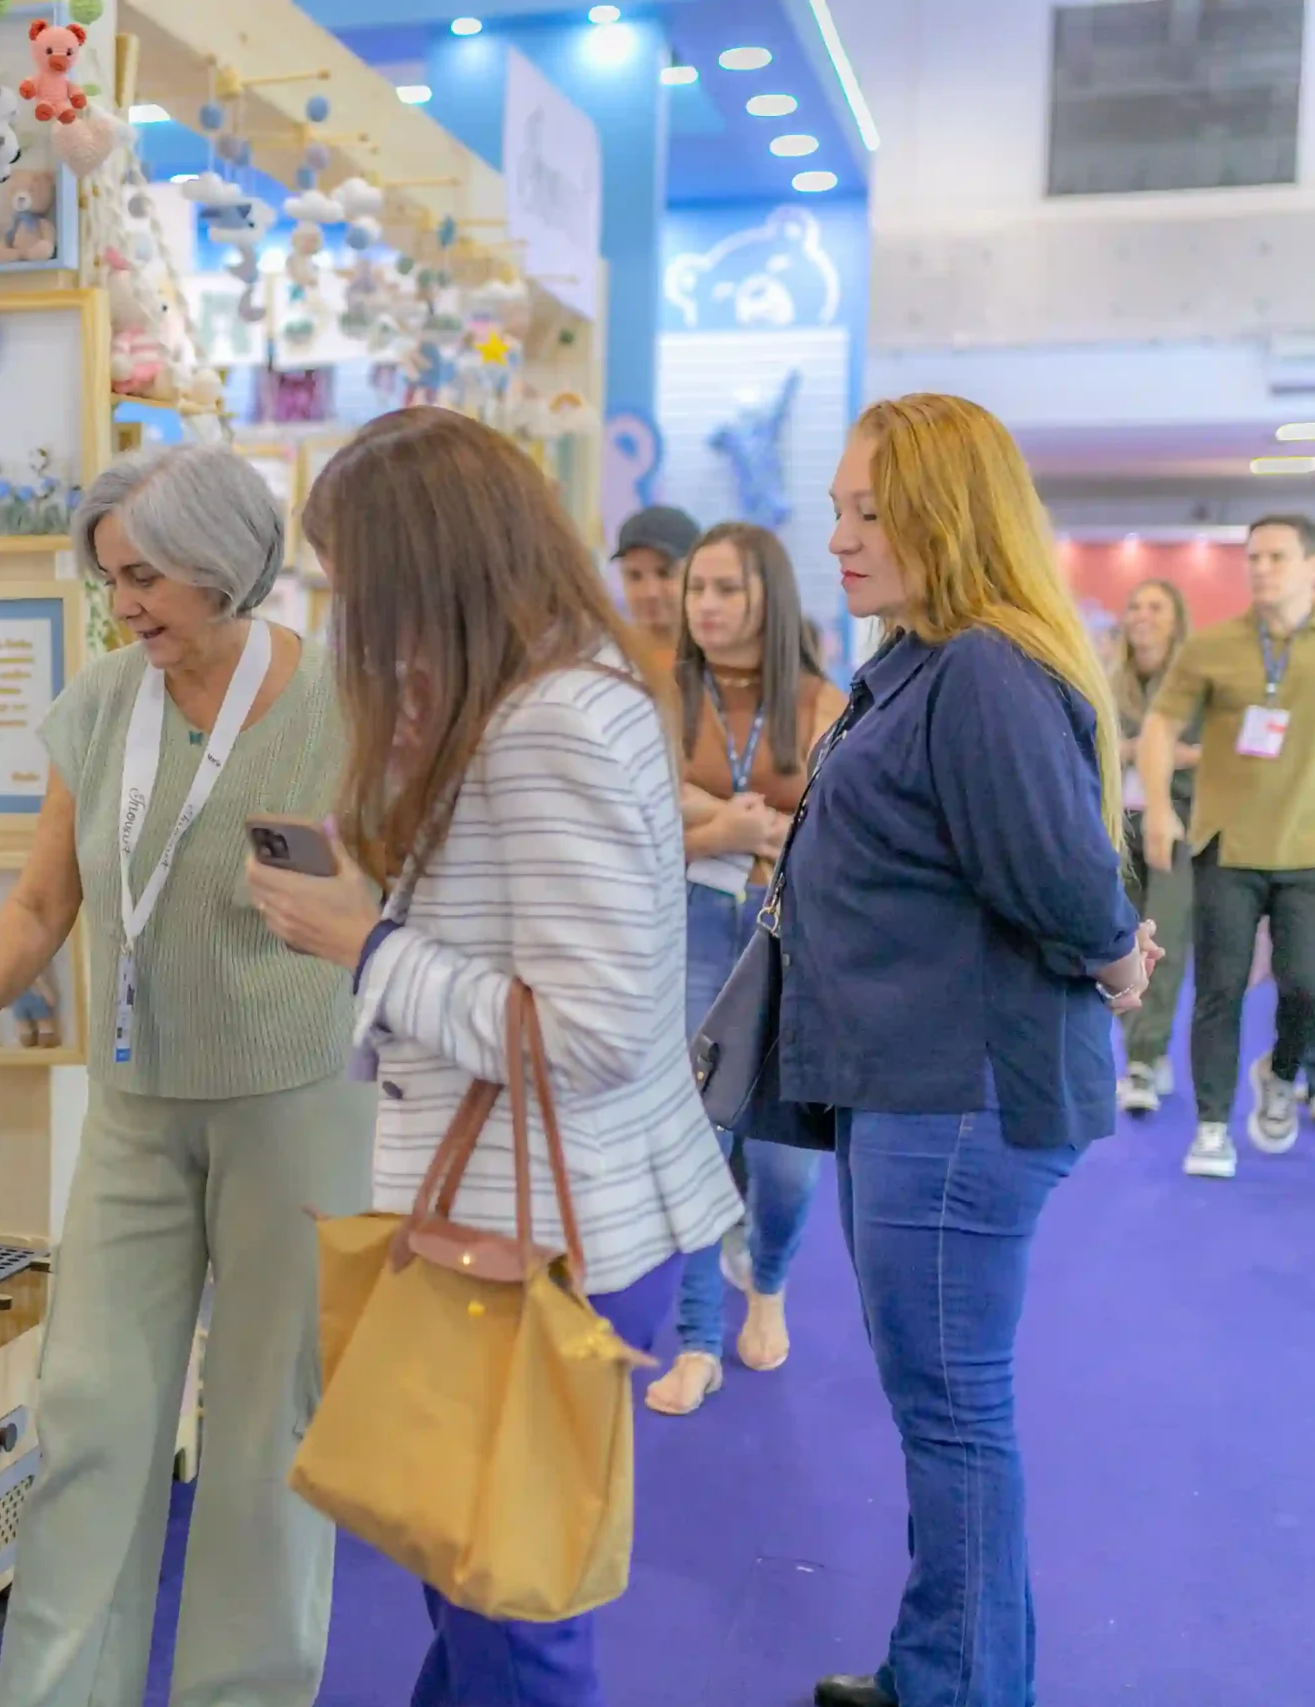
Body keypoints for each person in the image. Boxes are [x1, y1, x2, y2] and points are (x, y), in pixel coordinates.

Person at [0, 444, 371, 1707]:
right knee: (90, 1412)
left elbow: (397, 891)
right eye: (109, 581)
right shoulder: (97, 704)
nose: (124, 604)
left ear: (223, 563)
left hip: (296, 1101)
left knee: (266, 1434)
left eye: (144, 577)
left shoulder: (346, 702)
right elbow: (44, 897)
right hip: (137, 1107)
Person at [245, 408, 739, 1707]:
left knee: (512, 1613)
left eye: (356, 579)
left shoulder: (554, 719)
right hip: (508, 1216)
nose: (346, 611)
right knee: (477, 1591)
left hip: (545, 1230)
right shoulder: (523, 700)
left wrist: (370, 943)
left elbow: (585, 1028)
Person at [785, 395, 1156, 1707]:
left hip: (958, 1101)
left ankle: (968, 1686)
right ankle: (943, 1664)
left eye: (869, 510)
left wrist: (1117, 955)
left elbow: (1063, 879)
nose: (840, 534)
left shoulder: (983, 667)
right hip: (917, 1089)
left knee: (952, 1420)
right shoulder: (933, 658)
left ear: (950, 513)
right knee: (942, 1412)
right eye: (838, 507)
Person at [647, 522, 845, 1417]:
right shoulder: (656, 690)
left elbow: (836, 836)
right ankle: (694, 1341)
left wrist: (712, 812)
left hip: (786, 937)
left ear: (769, 596)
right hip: (685, 926)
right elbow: (628, 819)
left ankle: (765, 1281)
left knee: (787, 1161)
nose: (708, 606)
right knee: (695, 1141)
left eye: (727, 588)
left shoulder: (819, 701)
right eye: (698, 590)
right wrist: (727, 826)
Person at [1141, 514, 1315, 1177]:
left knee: (1310, 986)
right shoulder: (1214, 646)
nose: (1261, 568)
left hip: (1311, 848)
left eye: (1276, 556)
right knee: (1218, 988)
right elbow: (1160, 725)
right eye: (1252, 556)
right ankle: (1213, 1125)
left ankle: (1280, 1073)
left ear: (1313, 565)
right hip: (1225, 846)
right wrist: (1159, 807)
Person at [1110, 579, 1198, 1114]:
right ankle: (1139, 1046)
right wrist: (1145, 749)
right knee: (1120, 942)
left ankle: (1144, 1057)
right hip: (1120, 827)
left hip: (1180, 823)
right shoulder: (1107, 680)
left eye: (1156, 606)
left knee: (1164, 938)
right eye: (1135, 604)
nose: (1143, 615)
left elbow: (1216, 750)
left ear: (1176, 618)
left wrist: (1157, 753)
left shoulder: (1195, 681)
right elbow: (1090, 744)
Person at [611, 502, 700, 668]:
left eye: (664, 573)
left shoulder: (725, 663)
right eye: (635, 576)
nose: (649, 592)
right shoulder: (607, 661)